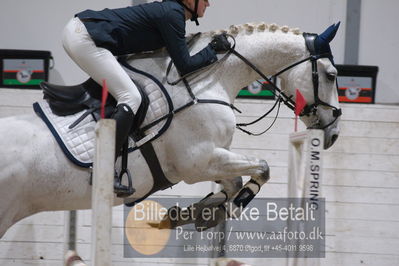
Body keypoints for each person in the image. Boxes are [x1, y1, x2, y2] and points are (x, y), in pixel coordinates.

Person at [62, 0, 231, 156]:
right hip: (84, 37)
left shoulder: (171, 12)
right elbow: (185, 65)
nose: (208, 3)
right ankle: (103, 166)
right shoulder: (172, 14)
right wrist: (213, 49)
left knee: (127, 92)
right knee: (131, 97)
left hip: (82, 32)